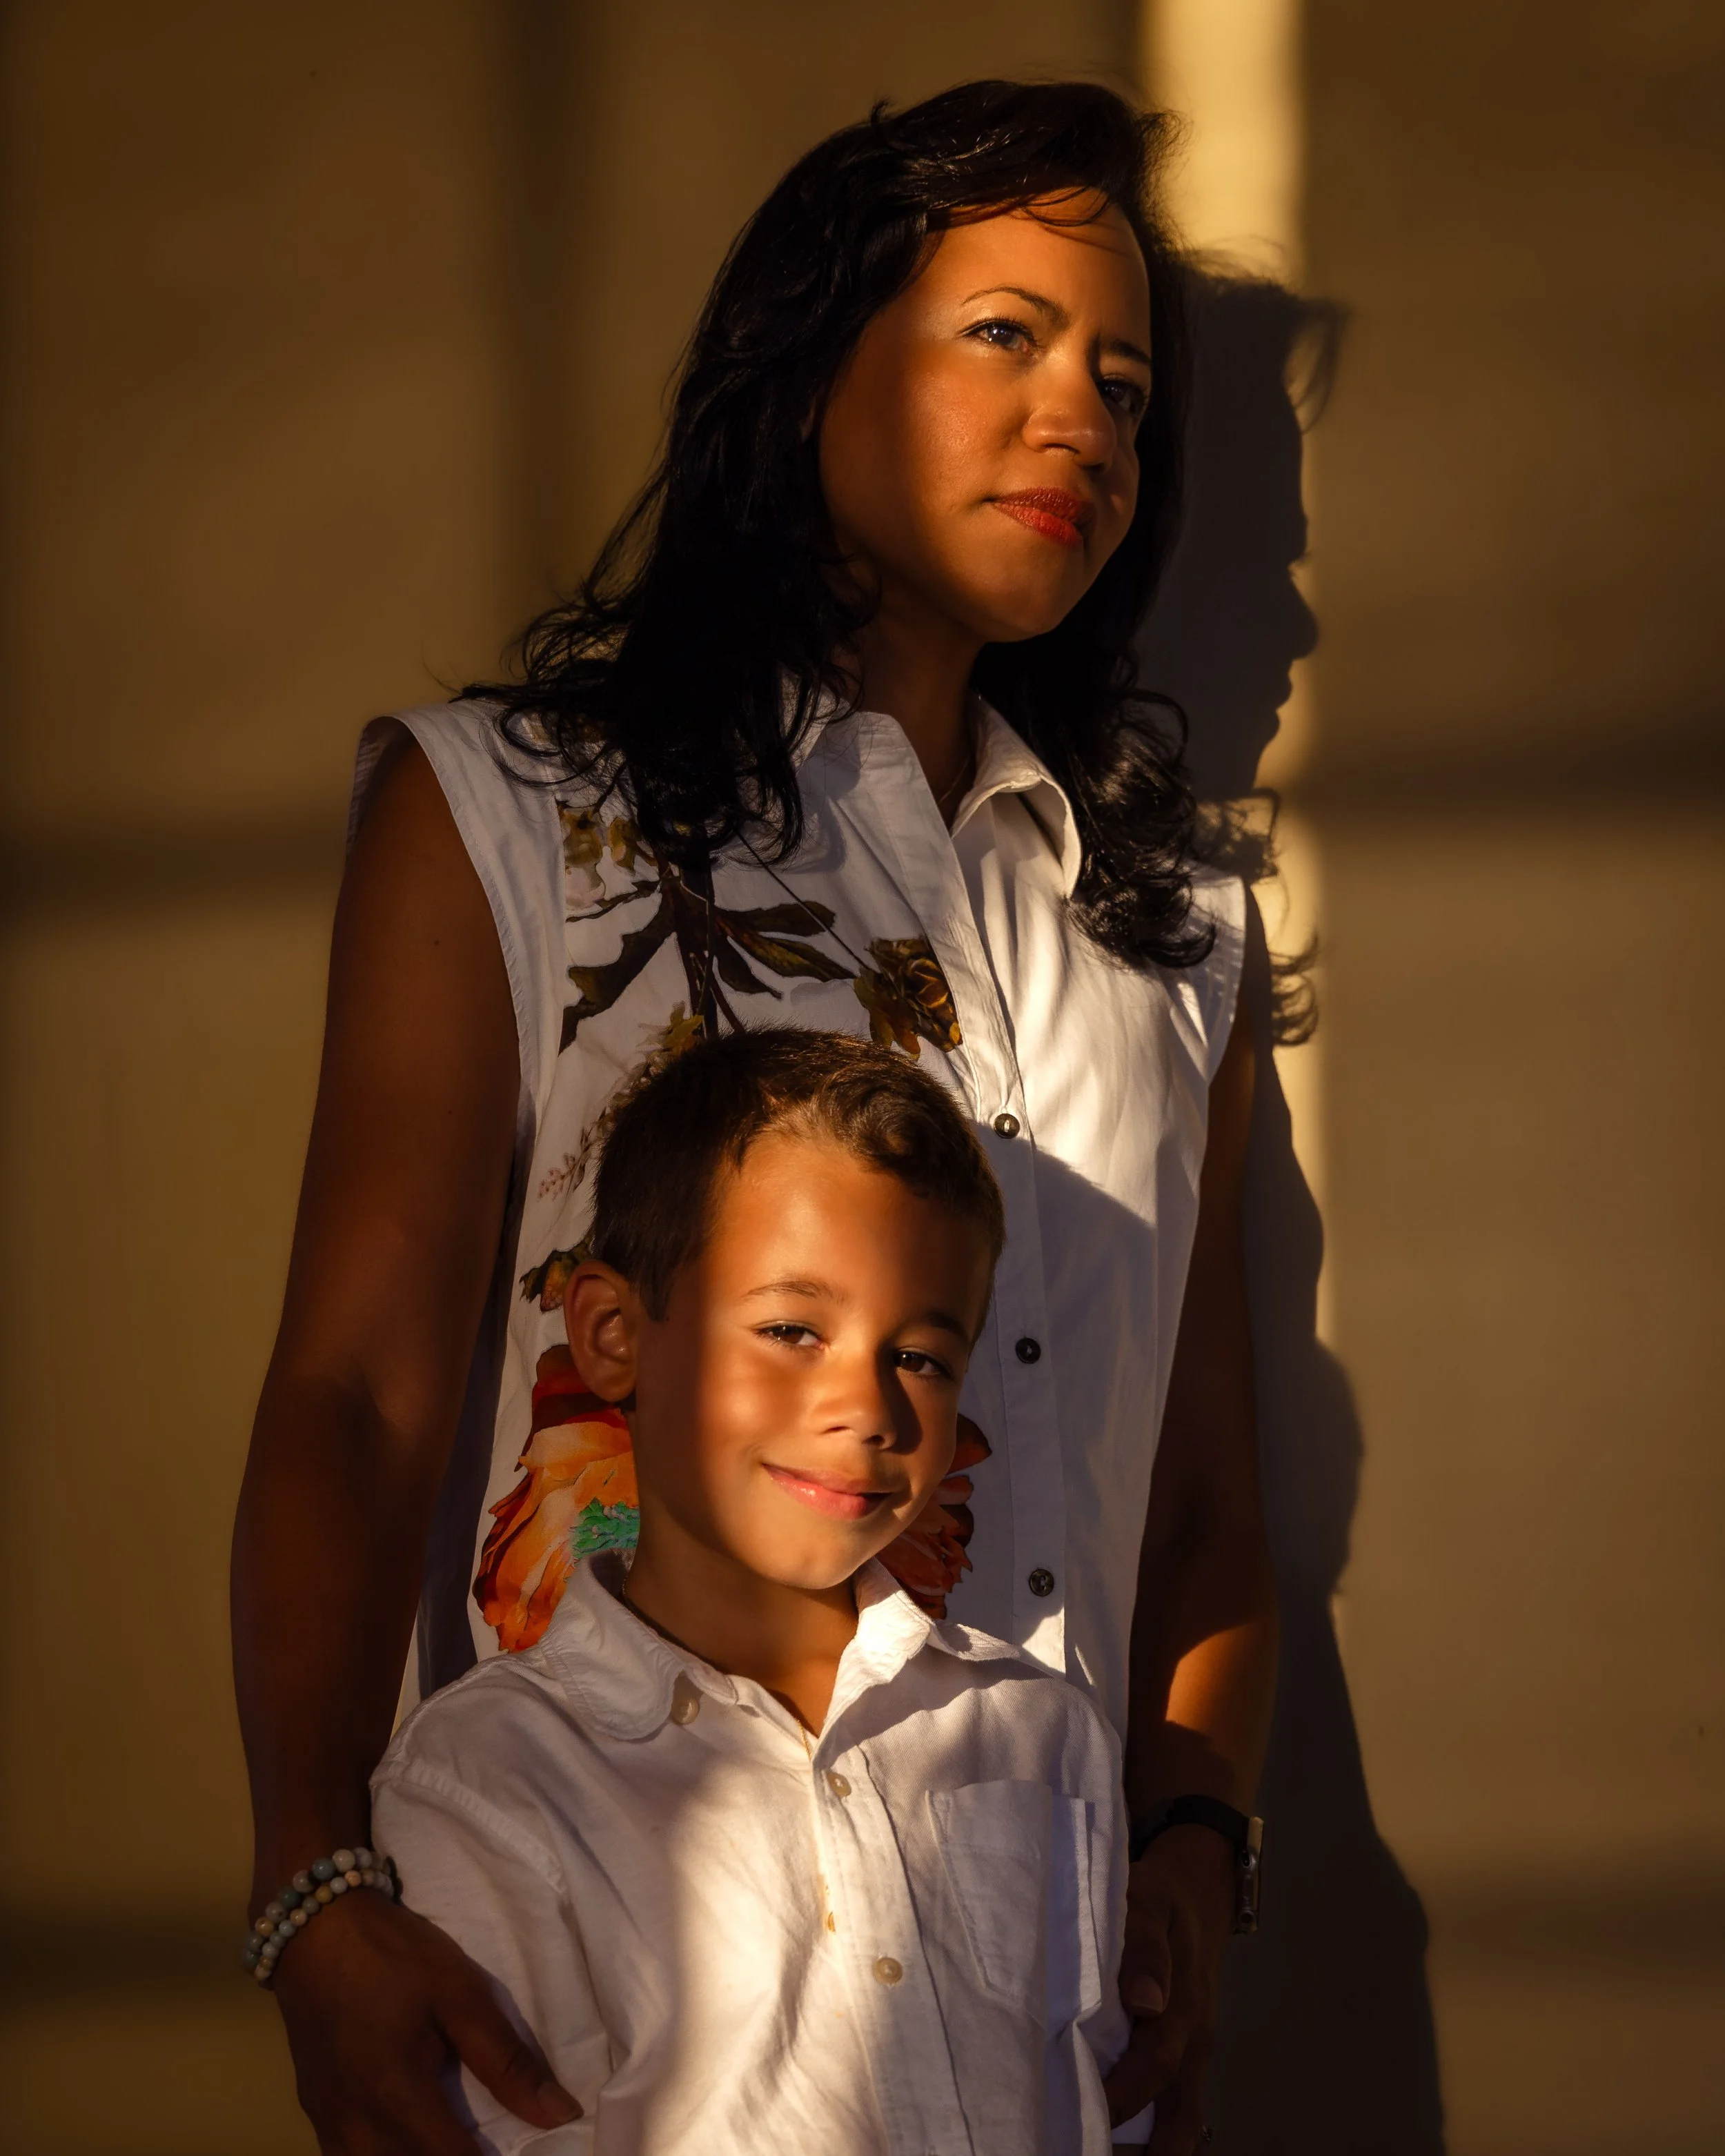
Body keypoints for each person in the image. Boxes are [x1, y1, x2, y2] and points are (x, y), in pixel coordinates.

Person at [232, 78, 1278, 2156]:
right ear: (812, 366)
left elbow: (1202, 1494)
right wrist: (313, 1890)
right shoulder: (510, 818)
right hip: (613, 1996)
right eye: (1006, 333)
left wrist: (1190, 1847)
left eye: (1126, 383)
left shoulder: (1167, 937)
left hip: (1045, 2034)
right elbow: (350, 1396)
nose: (1082, 415)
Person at [359, 1027, 1139, 2155]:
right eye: (790, 1331)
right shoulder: (487, 1781)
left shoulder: (1040, 1731)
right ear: (615, 1336)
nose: (867, 1407)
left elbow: (1097, 2097)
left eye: (921, 1356)